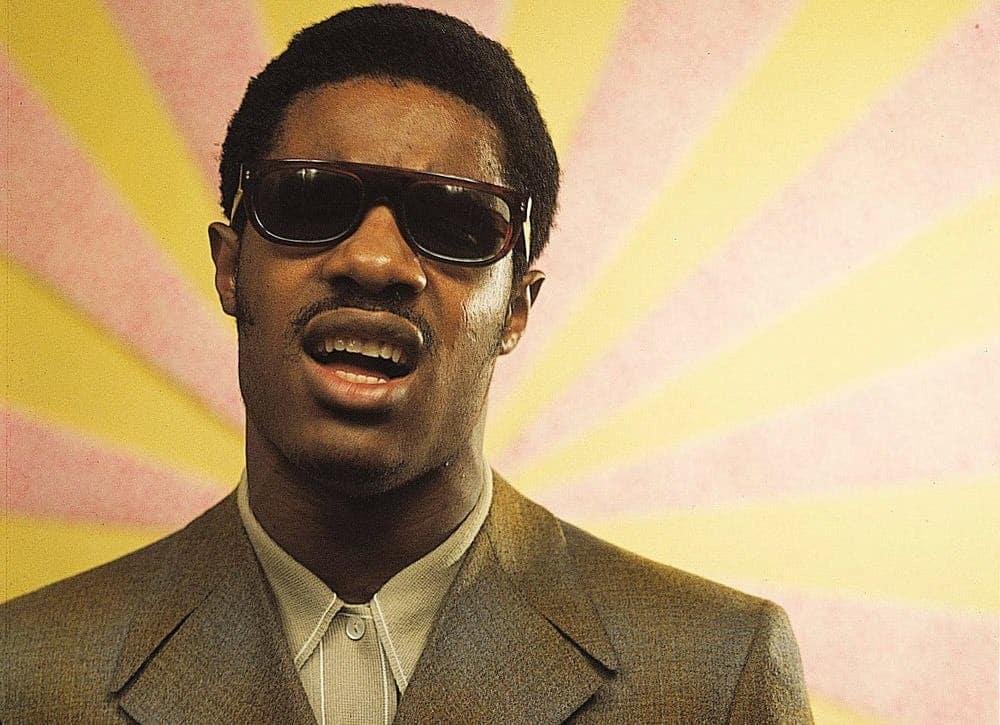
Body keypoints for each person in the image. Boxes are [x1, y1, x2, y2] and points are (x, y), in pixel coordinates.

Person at [1, 6, 813, 723]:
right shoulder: (27, 676)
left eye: (456, 221)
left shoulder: (716, 674)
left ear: (517, 308)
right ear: (229, 266)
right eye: (311, 199)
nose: (376, 260)